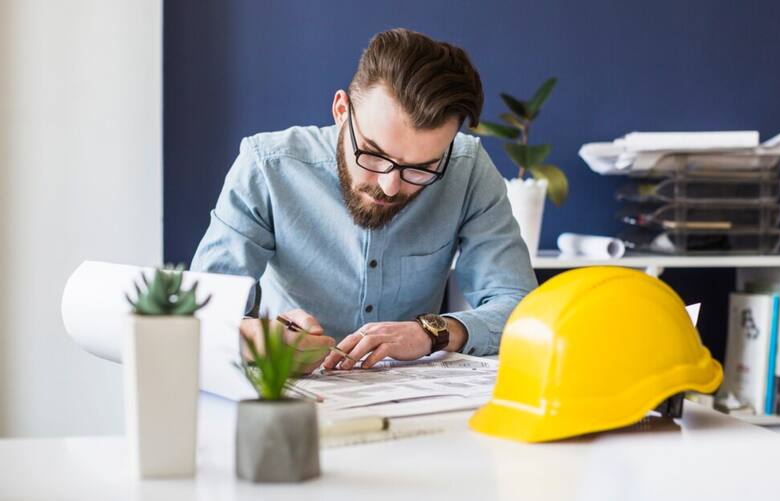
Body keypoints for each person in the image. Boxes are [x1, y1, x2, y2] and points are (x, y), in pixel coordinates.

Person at [191, 28, 536, 373]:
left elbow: (520, 307)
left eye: (422, 168)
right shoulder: (267, 165)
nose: (389, 186)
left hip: (417, 399)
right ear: (341, 110)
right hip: (291, 396)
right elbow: (202, 309)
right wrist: (256, 336)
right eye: (371, 154)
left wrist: (432, 333)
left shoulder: (468, 168)